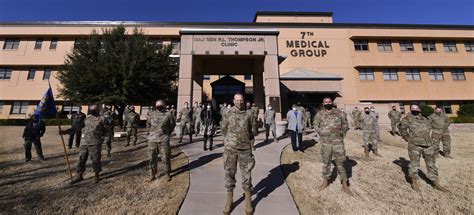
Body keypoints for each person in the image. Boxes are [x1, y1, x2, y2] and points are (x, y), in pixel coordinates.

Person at [399, 104, 449, 192]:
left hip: (428, 145)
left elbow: (429, 128)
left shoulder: (424, 119)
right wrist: (407, 138)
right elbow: (401, 128)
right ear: (410, 109)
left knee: (431, 164)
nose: (415, 109)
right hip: (415, 145)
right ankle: (414, 182)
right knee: (414, 164)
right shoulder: (407, 119)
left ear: (419, 109)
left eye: (416, 108)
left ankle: (435, 182)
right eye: (413, 108)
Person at [221, 93, 256, 215]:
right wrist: (229, 140)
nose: (239, 102)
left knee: (247, 175)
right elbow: (223, 128)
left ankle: (248, 200)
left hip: (245, 149)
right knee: (229, 174)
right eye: (237, 100)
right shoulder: (227, 113)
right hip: (230, 149)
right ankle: (229, 200)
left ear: (244, 101)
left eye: (241, 100)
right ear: (233, 100)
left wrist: (248, 138)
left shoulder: (249, 113)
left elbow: (253, 130)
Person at [313, 98, 352, 195]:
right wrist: (321, 132)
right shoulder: (319, 114)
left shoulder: (339, 113)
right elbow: (315, 124)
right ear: (323, 103)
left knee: (341, 164)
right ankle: (325, 182)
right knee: (326, 163)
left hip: (338, 143)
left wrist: (342, 133)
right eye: (326, 102)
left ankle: (345, 185)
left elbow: (345, 124)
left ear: (332, 103)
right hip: (326, 143)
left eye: (329, 102)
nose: (328, 103)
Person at [69, 105, 107, 184]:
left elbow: (106, 130)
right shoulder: (86, 119)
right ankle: (79, 175)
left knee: (96, 160)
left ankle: (96, 175)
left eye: (96, 109)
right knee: (81, 159)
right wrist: (65, 132)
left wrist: (103, 138)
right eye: (93, 109)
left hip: (95, 143)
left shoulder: (102, 119)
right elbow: (76, 127)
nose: (94, 110)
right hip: (84, 143)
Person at [147, 100, 176, 181]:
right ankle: (152, 174)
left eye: (161, 105)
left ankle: (167, 173)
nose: (159, 106)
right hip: (152, 140)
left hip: (163, 139)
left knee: (165, 157)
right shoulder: (151, 114)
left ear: (164, 105)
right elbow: (148, 124)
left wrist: (167, 133)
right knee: (152, 158)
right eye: (157, 105)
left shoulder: (168, 114)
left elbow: (172, 124)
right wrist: (150, 132)